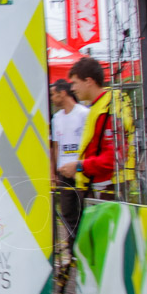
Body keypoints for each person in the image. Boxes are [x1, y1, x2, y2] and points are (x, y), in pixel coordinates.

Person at [59, 57, 121, 200]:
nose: (72, 89)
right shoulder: (98, 107)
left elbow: (113, 158)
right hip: (100, 186)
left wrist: (79, 166)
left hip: (109, 187)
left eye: (75, 83)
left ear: (88, 81)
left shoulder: (109, 108)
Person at [50, 80, 88, 261]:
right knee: (67, 214)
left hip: (81, 172)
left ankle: (86, 251)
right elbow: (55, 147)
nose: (52, 98)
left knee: (84, 213)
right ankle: (73, 255)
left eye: (53, 94)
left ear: (63, 93)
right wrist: (54, 172)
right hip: (63, 174)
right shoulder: (56, 118)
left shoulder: (83, 114)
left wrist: (80, 165)